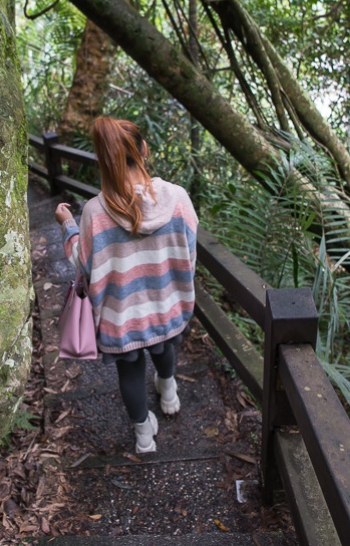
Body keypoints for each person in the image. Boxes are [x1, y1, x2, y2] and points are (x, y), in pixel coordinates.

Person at [55, 117, 198, 453]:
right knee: (165, 348)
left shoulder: (95, 212)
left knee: (130, 372)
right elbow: (189, 253)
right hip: (167, 306)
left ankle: (144, 437)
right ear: (144, 150)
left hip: (120, 318)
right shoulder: (178, 199)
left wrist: (68, 226)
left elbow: (82, 262)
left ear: (105, 160)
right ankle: (168, 390)